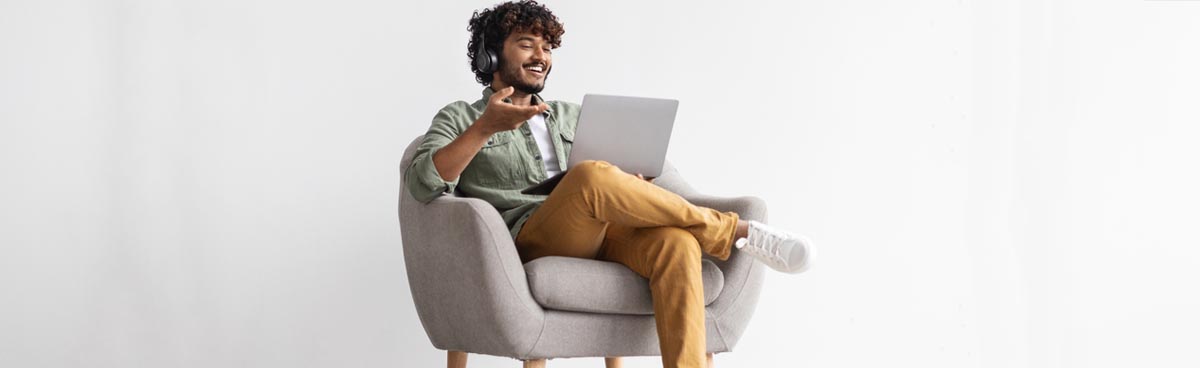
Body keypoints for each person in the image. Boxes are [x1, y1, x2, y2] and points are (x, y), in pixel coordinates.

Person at [404, 1, 815, 367]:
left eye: (547, 48)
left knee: (678, 244)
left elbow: (601, 183)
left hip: (602, 229)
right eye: (527, 44)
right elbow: (423, 183)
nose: (541, 56)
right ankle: (734, 231)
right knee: (590, 176)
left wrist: (626, 182)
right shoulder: (461, 117)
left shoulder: (570, 114)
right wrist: (484, 128)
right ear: (490, 54)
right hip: (532, 237)